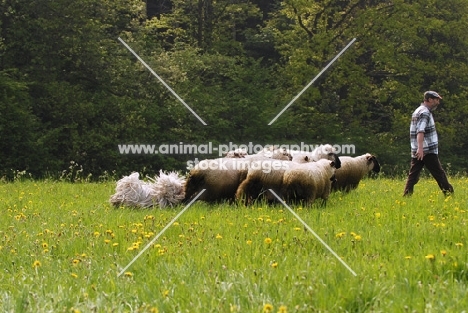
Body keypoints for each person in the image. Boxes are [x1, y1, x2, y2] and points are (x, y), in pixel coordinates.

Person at [403, 90, 454, 196]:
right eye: (436, 100)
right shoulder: (425, 113)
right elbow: (420, 131)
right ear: (429, 99)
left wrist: (418, 148)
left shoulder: (418, 110)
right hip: (427, 150)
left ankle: (406, 196)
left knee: (413, 176)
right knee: (439, 174)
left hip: (418, 149)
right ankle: (449, 194)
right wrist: (421, 148)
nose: (438, 103)